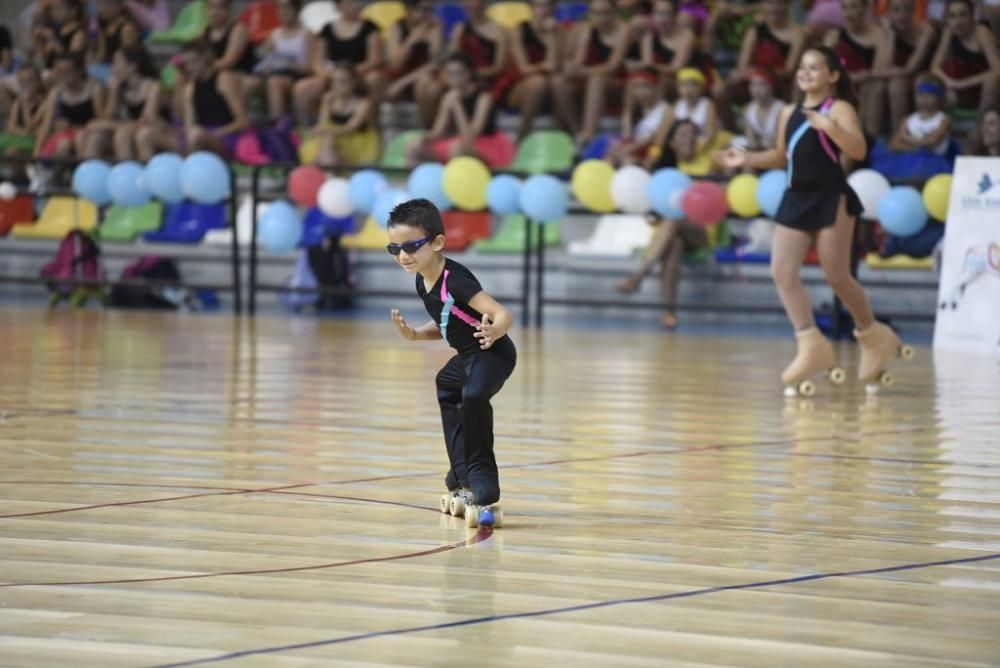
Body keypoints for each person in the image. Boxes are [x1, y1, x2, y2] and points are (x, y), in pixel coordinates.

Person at [716, 45, 909, 394]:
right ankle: (811, 345)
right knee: (782, 271)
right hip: (796, 197)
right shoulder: (788, 110)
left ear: (833, 76)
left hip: (830, 197)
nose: (805, 72)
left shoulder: (840, 108)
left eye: (815, 67)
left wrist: (829, 126)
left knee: (837, 275)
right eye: (802, 67)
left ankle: (873, 334)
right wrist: (744, 158)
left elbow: (858, 150)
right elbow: (780, 155)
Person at [387, 198, 516, 528]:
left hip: (492, 354)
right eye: (395, 248)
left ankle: (483, 484)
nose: (403, 255)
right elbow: (450, 323)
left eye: (412, 246)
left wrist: (495, 329)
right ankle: (460, 473)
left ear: (438, 242)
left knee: (473, 397)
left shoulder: (455, 280)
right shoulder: (421, 279)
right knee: (447, 384)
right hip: (468, 357)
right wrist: (417, 335)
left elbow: (502, 314)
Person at [617, 118, 713, 329]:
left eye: (693, 134)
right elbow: (653, 210)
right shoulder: (663, 171)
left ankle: (639, 276)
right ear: (671, 143)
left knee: (673, 219)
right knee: (675, 244)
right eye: (682, 135)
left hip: (703, 230)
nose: (689, 139)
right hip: (670, 232)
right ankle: (670, 314)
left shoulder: (709, 163)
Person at [407, 54, 515, 168]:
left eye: (456, 73)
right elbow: (438, 131)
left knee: (457, 148)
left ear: (468, 74)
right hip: (458, 141)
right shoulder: (449, 96)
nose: (452, 78)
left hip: (484, 144)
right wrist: (423, 139)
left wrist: (458, 107)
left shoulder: (483, 97)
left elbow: (471, 136)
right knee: (415, 145)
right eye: (448, 74)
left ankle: (455, 181)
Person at [552, 0, 630, 147]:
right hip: (589, 78)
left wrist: (581, 71)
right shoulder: (587, 30)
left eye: (605, 13)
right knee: (559, 82)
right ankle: (576, 131)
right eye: (596, 13)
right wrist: (571, 68)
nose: (600, 17)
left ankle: (589, 133)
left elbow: (613, 66)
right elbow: (579, 60)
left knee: (597, 79)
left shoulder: (623, 30)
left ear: (614, 12)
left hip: (617, 83)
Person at [294, 0, 383, 124]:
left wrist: (349, 73)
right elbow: (317, 61)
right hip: (333, 73)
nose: (357, 5)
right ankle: (311, 129)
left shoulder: (371, 28)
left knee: (374, 79)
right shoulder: (327, 29)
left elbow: (375, 60)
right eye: (351, 3)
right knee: (302, 88)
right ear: (339, 6)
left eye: (358, 2)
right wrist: (328, 76)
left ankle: (372, 126)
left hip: (359, 72)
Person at [92, 46, 176, 161]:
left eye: (117, 62)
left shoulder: (154, 86)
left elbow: (146, 120)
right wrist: (113, 92)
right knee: (97, 137)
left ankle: (146, 175)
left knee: (129, 134)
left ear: (132, 66)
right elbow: (107, 117)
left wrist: (110, 125)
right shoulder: (121, 89)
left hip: (166, 133)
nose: (113, 68)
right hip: (137, 131)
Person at [870, 73, 954, 179]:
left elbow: (932, 142)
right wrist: (918, 147)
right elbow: (894, 144)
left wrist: (907, 138)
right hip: (907, 161)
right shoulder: (908, 120)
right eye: (920, 94)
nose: (924, 99)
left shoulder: (943, 120)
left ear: (940, 98)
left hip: (934, 163)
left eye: (929, 95)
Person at [871, 0, 936, 132]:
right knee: (876, 86)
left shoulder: (926, 32)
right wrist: (890, 34)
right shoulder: (886, 31)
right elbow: (881, 68)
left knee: (897, 85)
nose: (902, 15)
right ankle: (871, 140)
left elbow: (910, 69)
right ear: (888, 13)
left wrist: (867, 74)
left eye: (907, 9)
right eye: (896, 10)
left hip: (923, 79)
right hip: (897, 79)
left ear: (914, 11)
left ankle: (899, 135)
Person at [825, 0, 888, 136]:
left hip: (865, 85)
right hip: (840, 82)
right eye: (845, 8)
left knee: (875, 87)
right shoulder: (834, 35)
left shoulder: (879, 36)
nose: (848, 13)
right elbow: (822, 65)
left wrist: (859, 77)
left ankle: (870, 140)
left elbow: (879, 70)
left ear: (865, 8)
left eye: (853, 7)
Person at [506, 0, 565, 142]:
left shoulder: (561, 31)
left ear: (554, 7)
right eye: (539, 5)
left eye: (548, 5)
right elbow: (524, 68)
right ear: (531, 8)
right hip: (520, 85)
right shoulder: (518, 30)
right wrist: (542, 67)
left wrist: (551, 37)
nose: (544, 10)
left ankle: (563, 134)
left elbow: (556, 65)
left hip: (551, 85)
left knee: (558, 83)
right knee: (538, 83)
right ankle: (523, 135)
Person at [930, 0, 1000, 113]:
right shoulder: (949, 32)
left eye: (963, 15)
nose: (958, 22)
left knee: (991, 82)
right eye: (952, 16)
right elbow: (935, 67)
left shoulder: (981, 32)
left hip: (983, 87)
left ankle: (981, 127)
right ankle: (935, 126)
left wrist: (962, 84)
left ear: (973, 16)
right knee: (930, 83)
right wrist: (948, 81)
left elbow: (997, 70)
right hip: (962, 87)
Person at [181, 39, 248, 157]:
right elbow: (189, 125)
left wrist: (218, 132)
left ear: (205, 59)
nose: (189, 68)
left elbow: (242, 122)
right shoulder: (190, 88)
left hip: (226, 137)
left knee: (197, 135)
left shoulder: (223, 80)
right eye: (187, 64)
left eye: (194, 62)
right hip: (200, 136)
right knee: (147, 135)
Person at [384, 0, 444, 127]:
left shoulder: (435, 26)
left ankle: (427, 129)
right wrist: (412, 39)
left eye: (430, 10)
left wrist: (402, 83)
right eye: (423, 10)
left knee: (428, 85)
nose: (428, 15)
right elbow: (395, 65)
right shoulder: (397, 27)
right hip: (400, 73)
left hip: (422, 77)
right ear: (409, 11)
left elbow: (435, 64)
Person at [35, 52, 105, 159]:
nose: (62, 76)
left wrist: (83, 128)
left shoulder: (93, 89)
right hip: (68, 134)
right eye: (59, 72)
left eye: (67, 72)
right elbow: (47, 125)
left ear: (79, 71)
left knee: (80, 138)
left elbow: (101, 118)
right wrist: (36, 154)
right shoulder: (56, 92)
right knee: (63, 144)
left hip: (90, 132)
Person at [257, 0, 316, 124]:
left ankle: (286, 124)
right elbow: (266, 60)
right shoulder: (273, 35)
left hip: (300, 75)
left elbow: (310, 67)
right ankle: (277, 124)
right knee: (273, 81)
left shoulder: (307, 34)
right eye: (281, 9)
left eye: (288, 9)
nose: (284, 13)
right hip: (277, 75)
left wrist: (288, 64)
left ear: (296, 10)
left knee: (276, 82)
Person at [311, 61, 379, 166]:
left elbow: (351, 127)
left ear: (354, 82)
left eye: (343, 82)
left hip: (356, 141)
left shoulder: (364, 103)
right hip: (333, 138)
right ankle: (328, 169)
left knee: (328, 141)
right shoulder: (328, 99)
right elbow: (323, 123)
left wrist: (328, 131)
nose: (338, 86)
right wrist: (327, 104)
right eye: (335, 82)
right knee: (327, 142)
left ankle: (328, 171)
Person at [742, 68, 784, 150]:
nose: (756, 90)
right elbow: (752, 141)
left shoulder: (782, 109)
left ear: (771, 87)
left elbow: (778, 142)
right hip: (759, 152)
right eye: (752, 85)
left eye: (761, 85)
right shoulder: (748, 109)